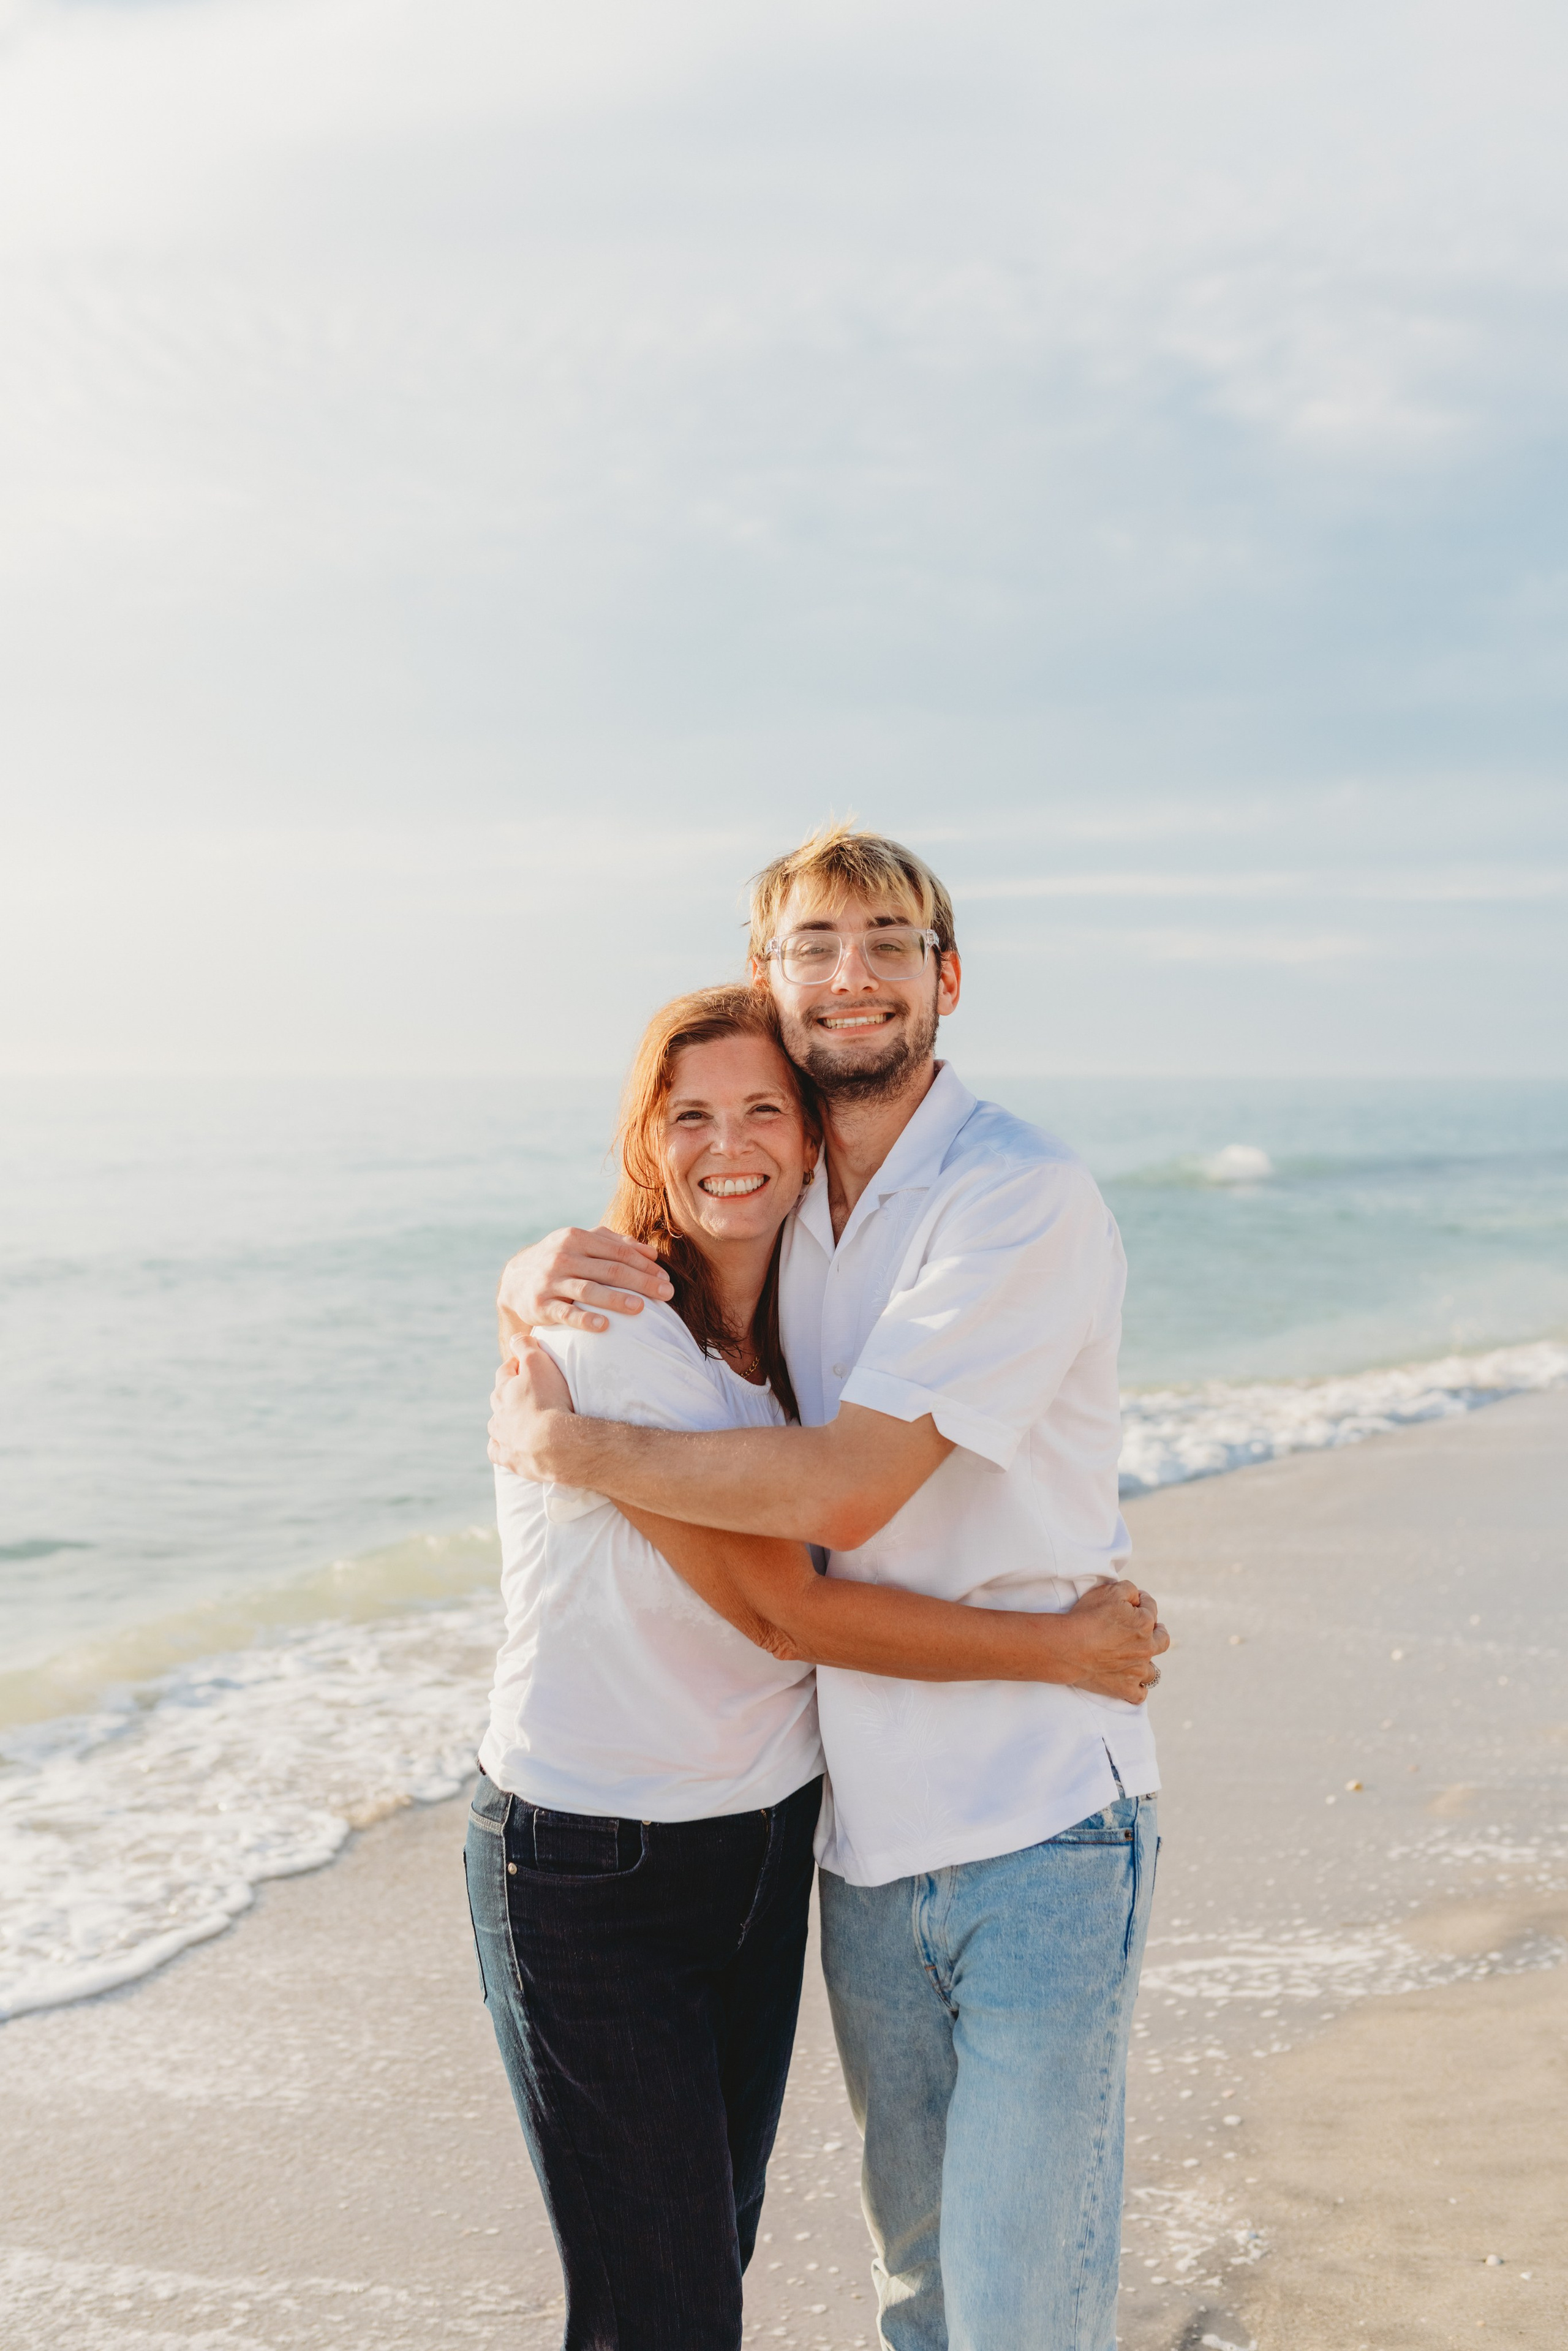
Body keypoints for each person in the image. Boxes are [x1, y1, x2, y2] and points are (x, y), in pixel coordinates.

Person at [490, 821, 1167, 2351]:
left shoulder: (1013, 1197)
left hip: (1039, 1820)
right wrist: (529, 1271)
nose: (847, 975)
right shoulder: (784, 1197)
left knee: (1012, 2313)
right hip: (854, 1843)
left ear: (944, 979)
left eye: (882, 942)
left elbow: (846, 1488)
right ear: (766, 974)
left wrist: (573, 1443)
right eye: (812, 943)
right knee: (917, 2297)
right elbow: (660, 1205)